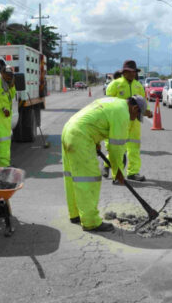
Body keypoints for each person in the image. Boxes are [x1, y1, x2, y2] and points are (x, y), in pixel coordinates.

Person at [63, 95, 146, 231]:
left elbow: (95, 119)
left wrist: (95, 141)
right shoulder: (123, 113)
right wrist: (118, 171)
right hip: (81, 135)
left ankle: (75, 214)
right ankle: (91, 222)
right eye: (137, 115)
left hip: (70, 129)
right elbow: (116, 147)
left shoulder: (115, 103)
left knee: (72, 176)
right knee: (89, 179)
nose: (134, 119)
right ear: (135, 107)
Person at [104, 60, 147, 181]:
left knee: (134, 147)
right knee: (118, 148)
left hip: (135, 121)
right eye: (131, 72)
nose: (133, 74)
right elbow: (108, 103)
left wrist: (146, 111)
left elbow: (144, 101)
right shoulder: (115, 85)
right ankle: (116, 174)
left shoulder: (138, 86)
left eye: (134, 72)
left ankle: (133, 172)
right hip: (119, 121)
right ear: (124, 72)